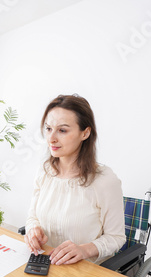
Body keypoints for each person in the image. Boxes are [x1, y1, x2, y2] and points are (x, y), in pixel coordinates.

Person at [24, 94, 126, 266]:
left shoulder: (105, 180)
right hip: (45, 264)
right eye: (48, 129)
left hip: (85, 273)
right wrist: (33, 230)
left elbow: (116, 238)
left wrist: (84, 250)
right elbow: (32, 217)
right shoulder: (44, 171)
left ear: (85, 133)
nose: (51, 138)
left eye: (62, 130)